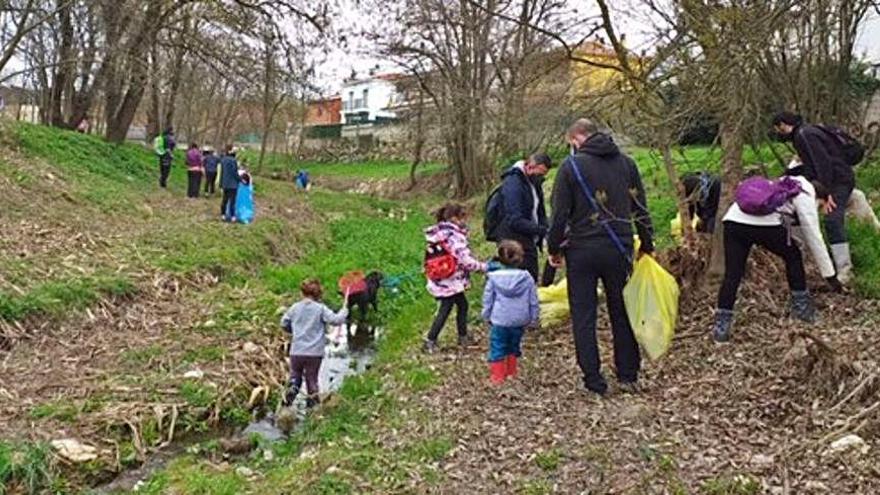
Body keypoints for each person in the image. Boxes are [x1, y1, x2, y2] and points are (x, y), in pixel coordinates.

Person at [547, 118, 655, 396]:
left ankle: (594, 379)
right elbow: (639, 206)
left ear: (576, 139)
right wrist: (647, 242)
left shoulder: (570, 167)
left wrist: (553, 248)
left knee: (584, 314)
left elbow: (559, 214)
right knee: (622, 310)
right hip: (619, 246)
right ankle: (628, 373)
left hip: (581, 250)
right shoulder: (627, 164)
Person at [712, 176, 821, 342]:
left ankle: (721, 327)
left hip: (733, 222)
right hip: (766, 226)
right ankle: (802, 309)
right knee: (793, 256)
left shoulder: (776, 184)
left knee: (732, 274)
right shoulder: (805, 193)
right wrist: (829, 274)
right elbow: (813, 234)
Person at [773, 112, 855, 283]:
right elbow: (811, 167)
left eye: (777, 129)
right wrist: (788, 174)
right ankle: (813, 260)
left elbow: (823, 164)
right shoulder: (805, 132)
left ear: (782, 125)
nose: (779, 134)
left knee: (832, 219)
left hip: (837, 181)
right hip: (836, 179)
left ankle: (844, 270)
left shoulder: (804, 135)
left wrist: (826, 194)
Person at [423, 203, 488, 354]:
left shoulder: (438, 234)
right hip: (450, 280)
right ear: (454, 218)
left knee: (463, 305)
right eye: (463, 217)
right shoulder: (454, 236)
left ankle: (463, 336)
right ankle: (430, 340)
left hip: (442, 278)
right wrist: (483, 267)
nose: (466, 220)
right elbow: (465, 260)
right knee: (445, 309)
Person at [280, 278, 349, 408]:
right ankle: (312, 411)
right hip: (314, 353)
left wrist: (293, 330)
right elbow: (336, 320)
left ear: (302, 293)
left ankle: (286, 406)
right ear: (318, 294)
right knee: (312, 380)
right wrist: (344, 311)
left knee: (295, 378)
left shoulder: (295, 308)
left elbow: (284, 323)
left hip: (297, 351)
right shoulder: (320, 309)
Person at [481, 240, 539, 384]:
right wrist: (534, 318)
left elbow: (488, 299)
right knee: (513, 346)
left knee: (498, 345)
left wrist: (486, 315)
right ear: (520, 258)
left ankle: (498, 377)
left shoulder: (493, 278)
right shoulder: (526, 278)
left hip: (500, 319)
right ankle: (512, 372)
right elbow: (533, 300)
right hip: (520, 319)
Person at [784, 157, 843, 293]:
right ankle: (800, 298)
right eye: (821, 206)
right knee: (793, 255)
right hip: (761, 224)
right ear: (820, 198)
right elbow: (814, 237)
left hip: (737, 219)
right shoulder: (805, 196)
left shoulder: (792, 183)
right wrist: (831, 276)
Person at [496, 153, 552, 282]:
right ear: (530, 166)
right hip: (513, 240)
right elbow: (514, 219)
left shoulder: (534, 183)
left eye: (544, 174)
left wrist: (545, 226)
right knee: (520, 280)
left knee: (530, 277)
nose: (541, 177)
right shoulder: (513, 183)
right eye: (540, 173)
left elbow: (540, 210)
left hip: (529, 237)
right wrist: (541, 230)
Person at [219, 146, 240, 222]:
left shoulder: (223, 160)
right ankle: (233, 216)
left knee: (224, 200)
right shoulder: (233, 161)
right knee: (232, 201)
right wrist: (240, 179)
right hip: (233, 184)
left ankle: (223, 215)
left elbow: (221, 172)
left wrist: (221, 183)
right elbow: (234, 173)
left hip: (225, 183)